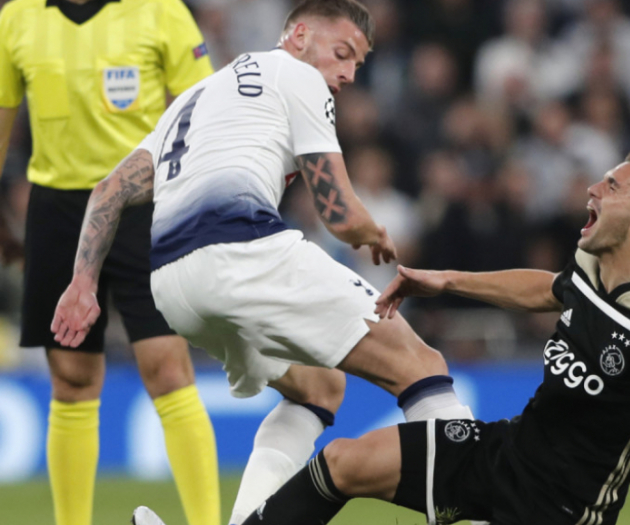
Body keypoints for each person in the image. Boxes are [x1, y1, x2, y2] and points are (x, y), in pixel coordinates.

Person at [49, 2, 475, 524]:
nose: (347, 73)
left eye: (358, 64)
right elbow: (339, 213)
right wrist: (373, 231)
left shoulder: (197, 96)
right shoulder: (297, 75)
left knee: (318, 386)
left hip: (173, 285)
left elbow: (109, 191)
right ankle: (477, 507)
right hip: (242, 252)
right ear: (299, 35)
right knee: (420, 365)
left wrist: (82, 283)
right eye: (342, 53)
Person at [230, 151, 630, 525]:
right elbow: (549, 289)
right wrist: (447, 281)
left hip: (563, 509)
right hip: (506, 453)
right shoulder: (592, 267)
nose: (593, 190)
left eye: (613, 187)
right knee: (344, 462)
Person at [0, 1, 220, 524]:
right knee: (71, 378)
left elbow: (206, 107)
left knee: (168, 367)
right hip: (57, 210)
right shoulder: (18, 17)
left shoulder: (160, 10)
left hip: (143, 203)